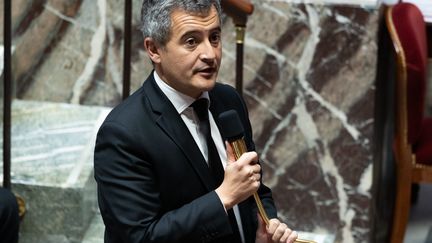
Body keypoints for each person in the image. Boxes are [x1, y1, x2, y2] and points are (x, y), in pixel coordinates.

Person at [94, 0, 298, 242]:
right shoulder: (123, 133)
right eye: (191, 41)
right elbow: (139, 237)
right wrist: (223, 197)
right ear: (154, 49)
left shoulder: (229, 101)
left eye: (214, 37)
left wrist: (263, 225)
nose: (210, 54)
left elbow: (254, 189)